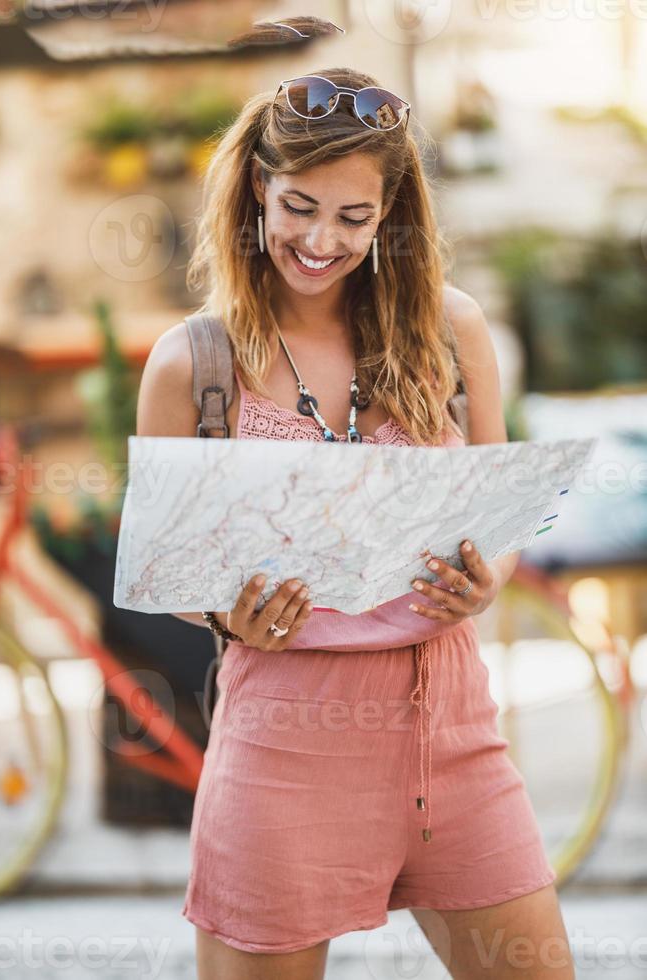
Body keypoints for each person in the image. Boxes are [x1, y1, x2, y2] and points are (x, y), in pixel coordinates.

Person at [136, 69, 574, 980]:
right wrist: (225, 617)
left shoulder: (451, 331)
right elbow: (168, 573)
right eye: (299, 206)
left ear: (390, 216)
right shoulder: (193, 363)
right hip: (282, 749)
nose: (320, 241)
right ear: (257, 187)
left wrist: (486, 572)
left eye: (353, 217)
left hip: (454, 738)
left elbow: (497, 512)